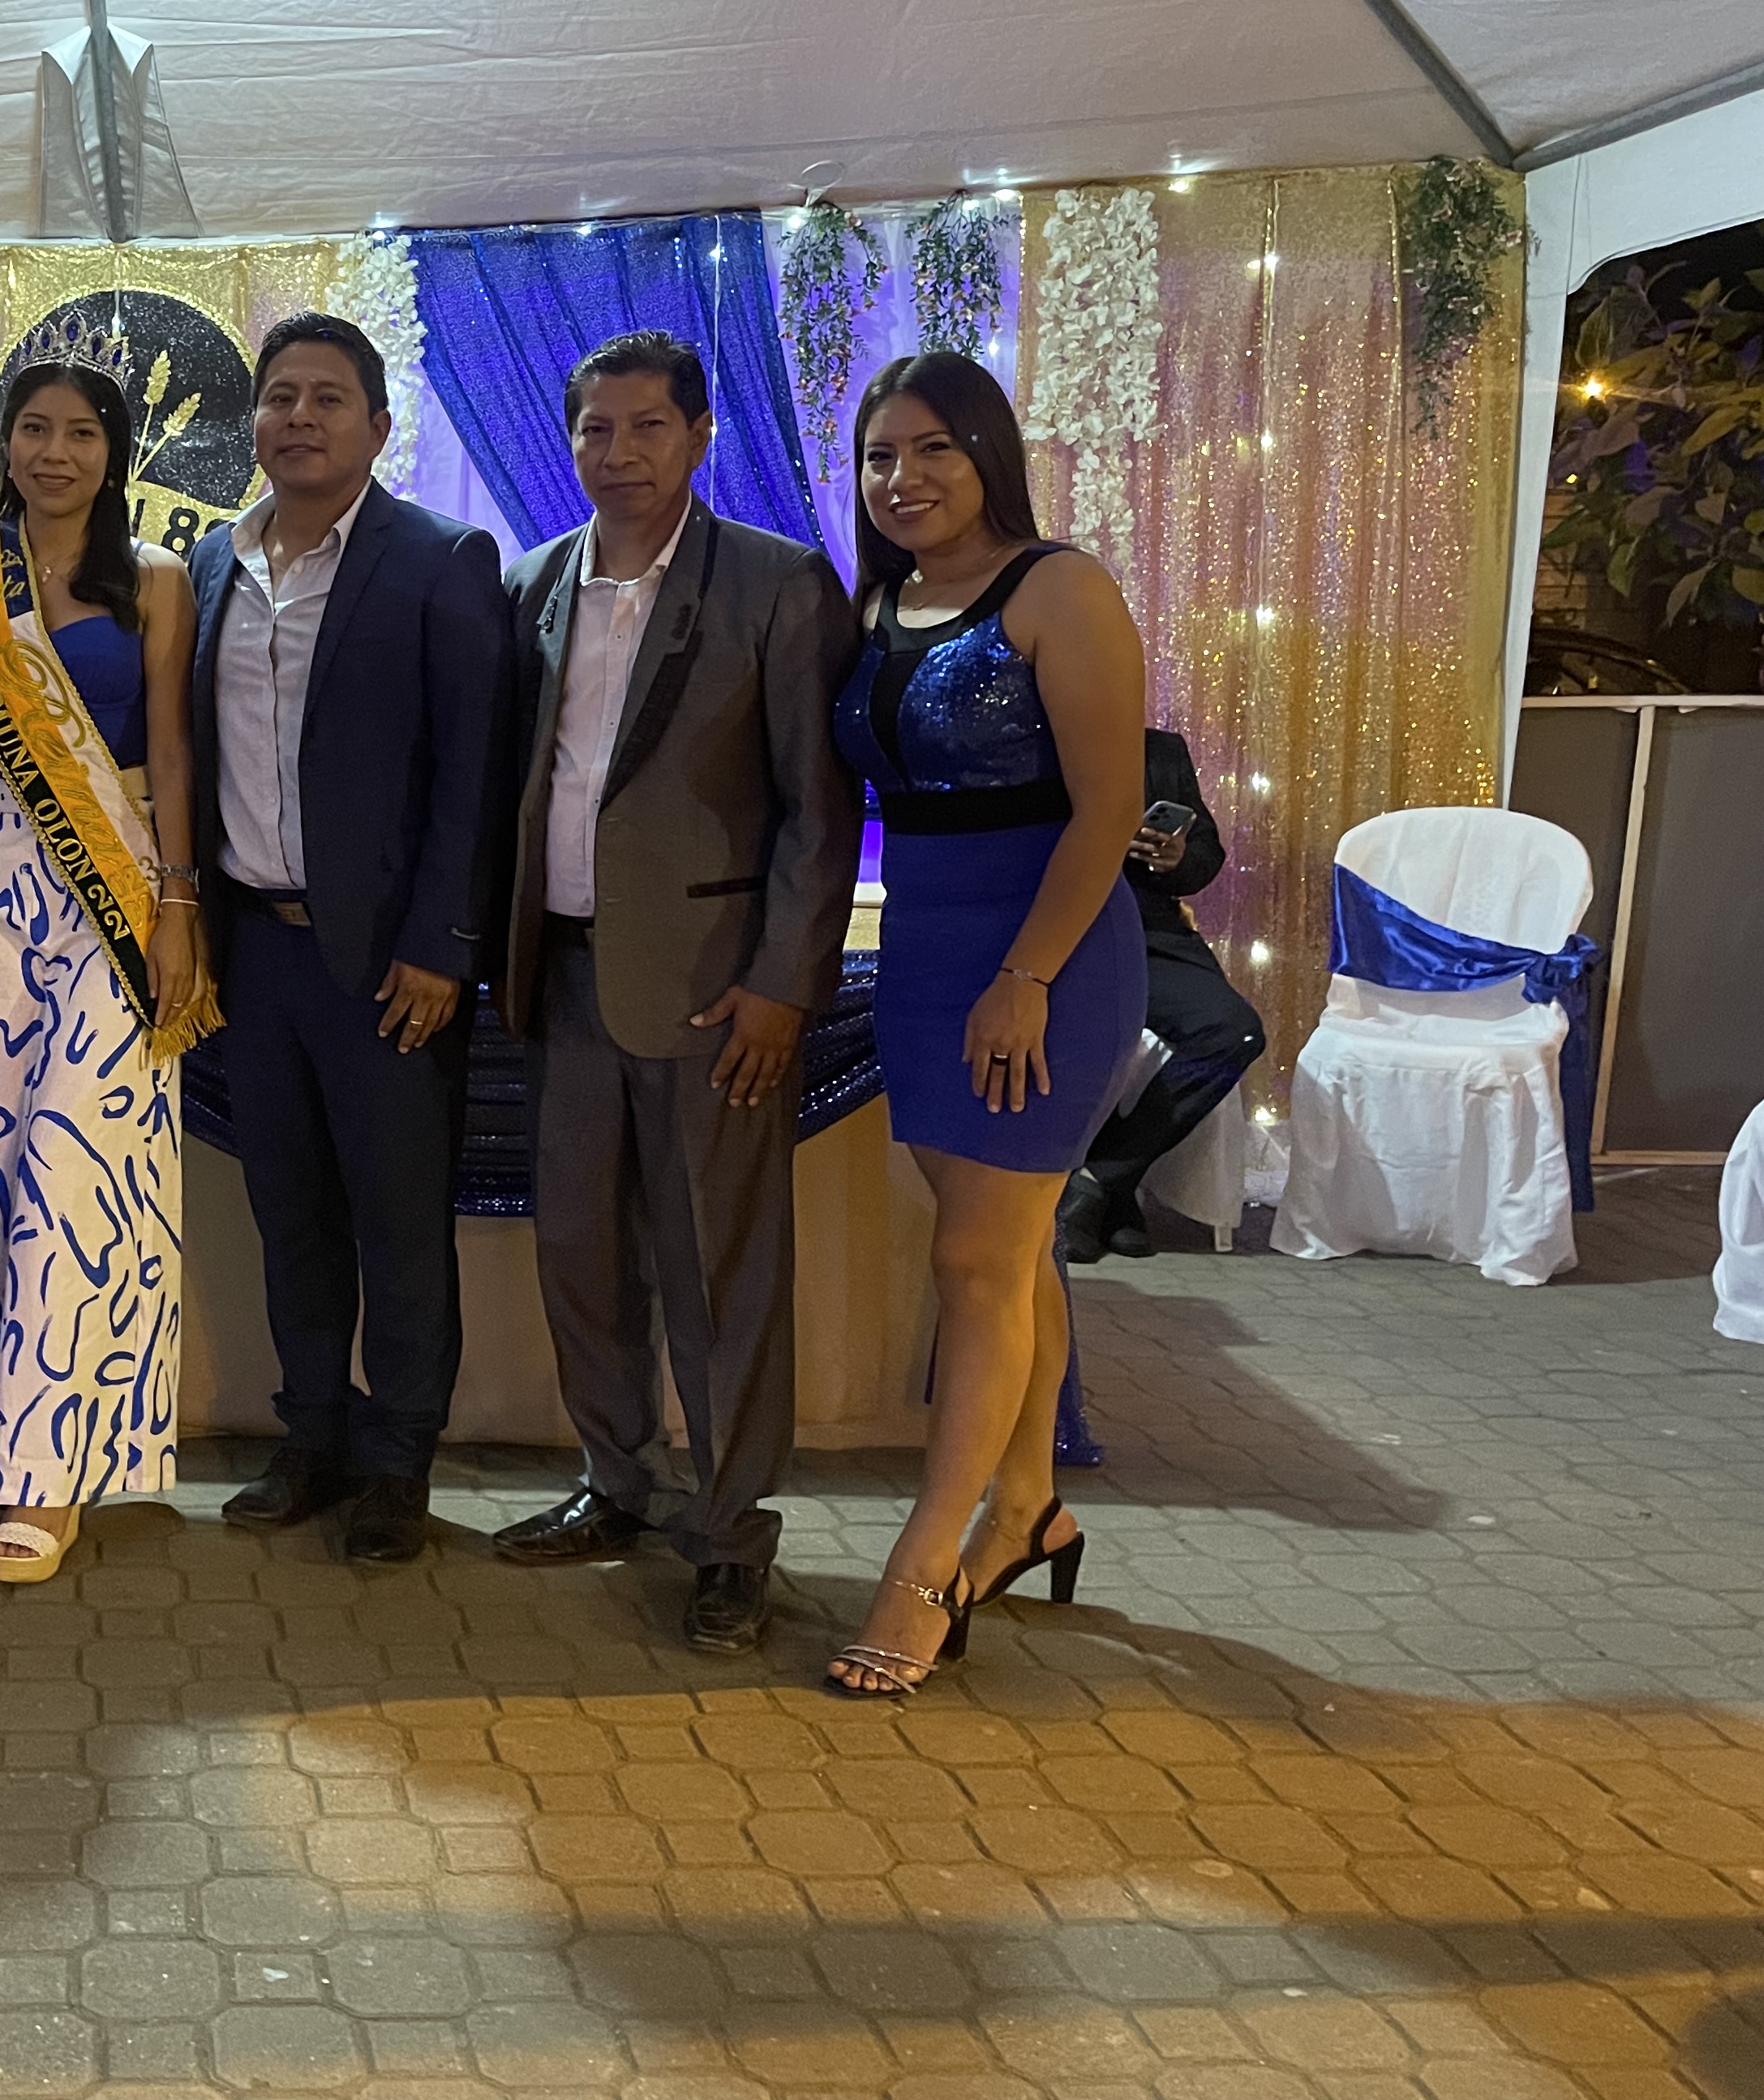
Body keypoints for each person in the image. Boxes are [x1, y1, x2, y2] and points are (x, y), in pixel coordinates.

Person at [487, 332, 863, 1654]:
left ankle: (732, 1531)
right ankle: (617, 1479)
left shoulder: (775, 583)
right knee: (582, 1255)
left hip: (713, 993)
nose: (620, 452)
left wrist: (783, 983)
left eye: (648, 426)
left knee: (717, 1273)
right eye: (597, 428)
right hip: (562, 974)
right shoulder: (533, 582)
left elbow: (820, 808)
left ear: (700, 435)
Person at [822, 354, 1145, 1695]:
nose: (903, 478)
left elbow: (1108, 810)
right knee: (1007, 1253)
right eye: (879, 456)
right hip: (922, 952)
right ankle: (1028, 1508)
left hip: (1048, 957)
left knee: (972, 1260)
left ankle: (925, 1569)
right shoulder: (877, 602)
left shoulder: (1059, 588)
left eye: (933, 449)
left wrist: (1025, 975)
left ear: (988, 454)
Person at [191, 314, 511, 1566]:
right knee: (292, 1214)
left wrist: (443, 942)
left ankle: (397, 1462)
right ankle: (311, 1436)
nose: (300, 417)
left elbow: (474, 769)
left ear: (378, 427)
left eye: (328, 398)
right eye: (280, 397)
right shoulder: (213, 564)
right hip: (255, 953)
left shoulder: (441, 558)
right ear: (254, 424)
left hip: (388, 961)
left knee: (398, 1224)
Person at [0, 358, 212, 1586]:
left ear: (116, 450)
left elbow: (175, 750)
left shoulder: (156, 579)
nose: (55, 452)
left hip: (118, 888)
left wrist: (180, 906)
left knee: (81, 1167)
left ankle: (50, 1474)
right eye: (34, 429)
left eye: (82, 432)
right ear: (4, 442)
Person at [1058, 726, 1269, 1263]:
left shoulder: (1161, 750)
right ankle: (1112, 1200)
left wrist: (1176, 857)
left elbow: (1206, 853)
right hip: (1061, 932)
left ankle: (1100, 1179)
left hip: (1151, 932)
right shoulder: (1040, 740)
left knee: (1235, 1031)